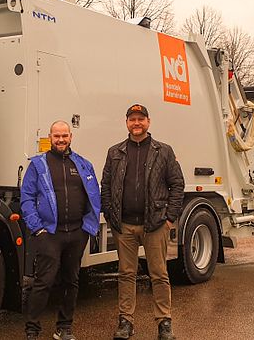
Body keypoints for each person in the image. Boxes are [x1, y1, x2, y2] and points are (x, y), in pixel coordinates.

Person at [100, 104, 184, 340]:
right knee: (126, 274)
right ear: (126, 123)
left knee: (159, 274)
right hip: (124, 225)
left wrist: (169, 218)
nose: (136, 123)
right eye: (132, 119)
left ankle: (164, 322)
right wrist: (110, 214)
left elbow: (177, 184)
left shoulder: (163, 151)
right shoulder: (115, 152)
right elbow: (105, 185)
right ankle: (125, 321)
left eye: (140, 119)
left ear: (148, 121)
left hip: (155, 224)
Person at [20, 121, 101, 340]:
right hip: (49, 234)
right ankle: (32, 330)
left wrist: (88, 228)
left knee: (71, 281)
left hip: (76, 233)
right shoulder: (39, 165)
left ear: (71, 137)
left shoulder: (83, 164)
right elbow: (26, 198)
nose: (61, 140)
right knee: (43, 282)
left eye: (65, 135)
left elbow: (93, 196)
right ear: (50, 137)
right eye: (57, 136)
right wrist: (38, 228)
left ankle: (64, 328)